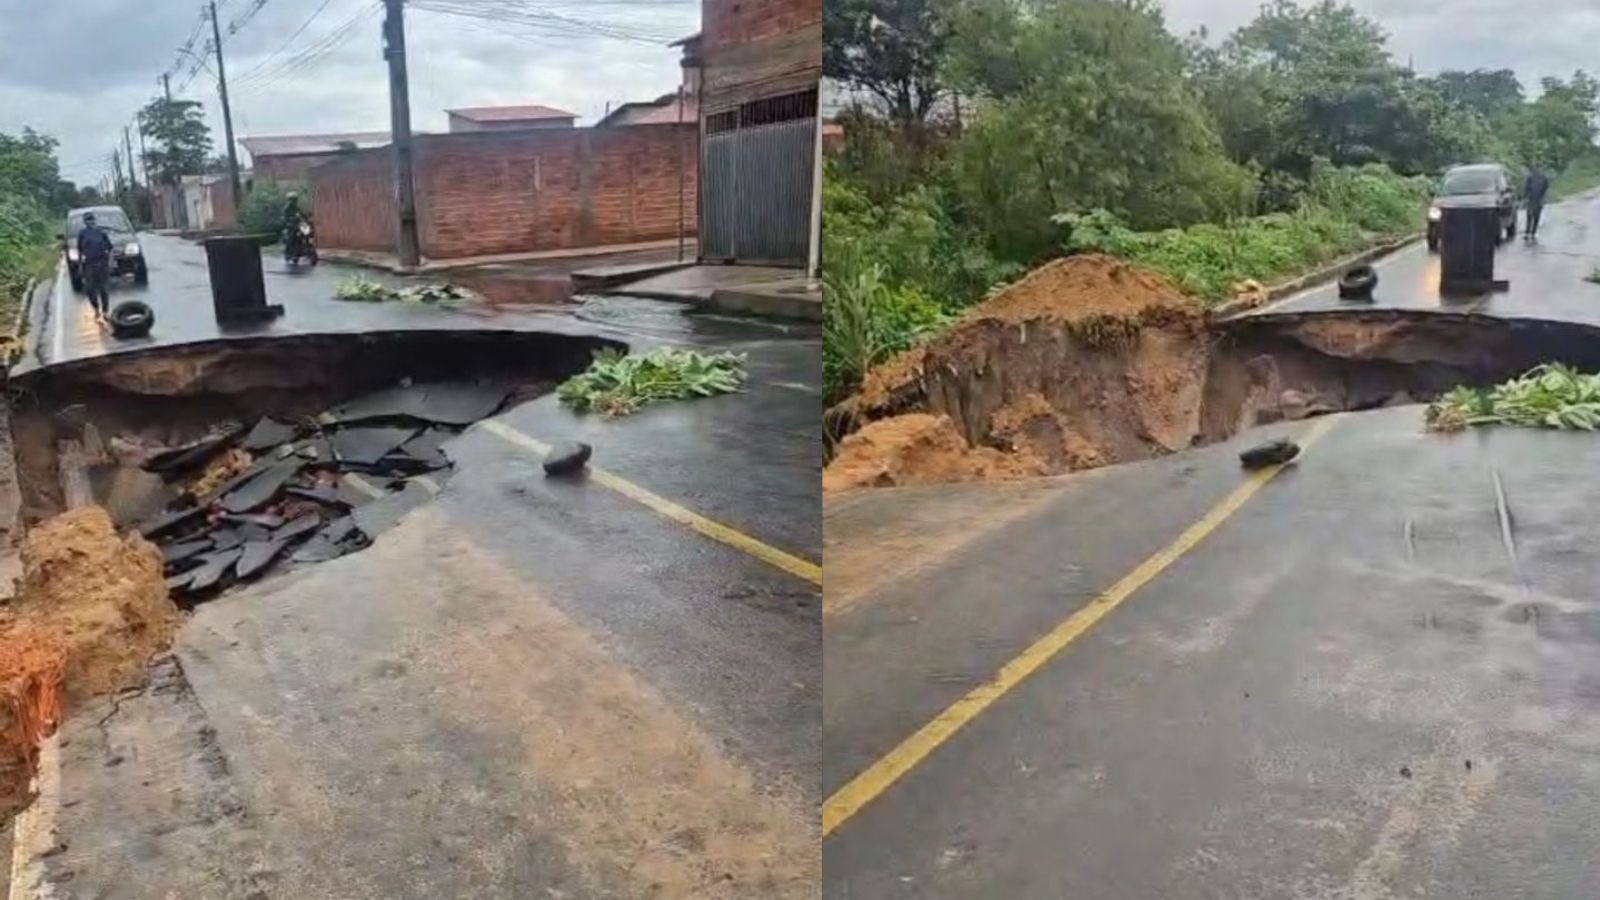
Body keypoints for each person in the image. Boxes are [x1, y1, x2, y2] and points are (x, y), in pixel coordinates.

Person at [76, 211, 115, 321]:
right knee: (90, 289)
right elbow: (79, 250)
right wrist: (79, 266)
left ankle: (105, 311)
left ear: (94, 220)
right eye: (88, 220)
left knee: (103, 289)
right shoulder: (82, 234)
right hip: (89, 264)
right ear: (84, 222)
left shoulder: (101, 233)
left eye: (91, 219)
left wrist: (110, 262)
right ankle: (96, 309)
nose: (90, 221)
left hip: (102, 263)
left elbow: (110, 248)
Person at [1523, 166, 1550, 240]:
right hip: (1535, 199)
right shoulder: (1541, 177)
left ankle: (1530, 232)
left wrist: (1525, 197)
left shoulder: (1533, 177)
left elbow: (1526, 188)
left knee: (1532, 216)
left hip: (1535, 199)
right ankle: (1530, 232)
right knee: (1533, 216)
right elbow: (1545, 188)